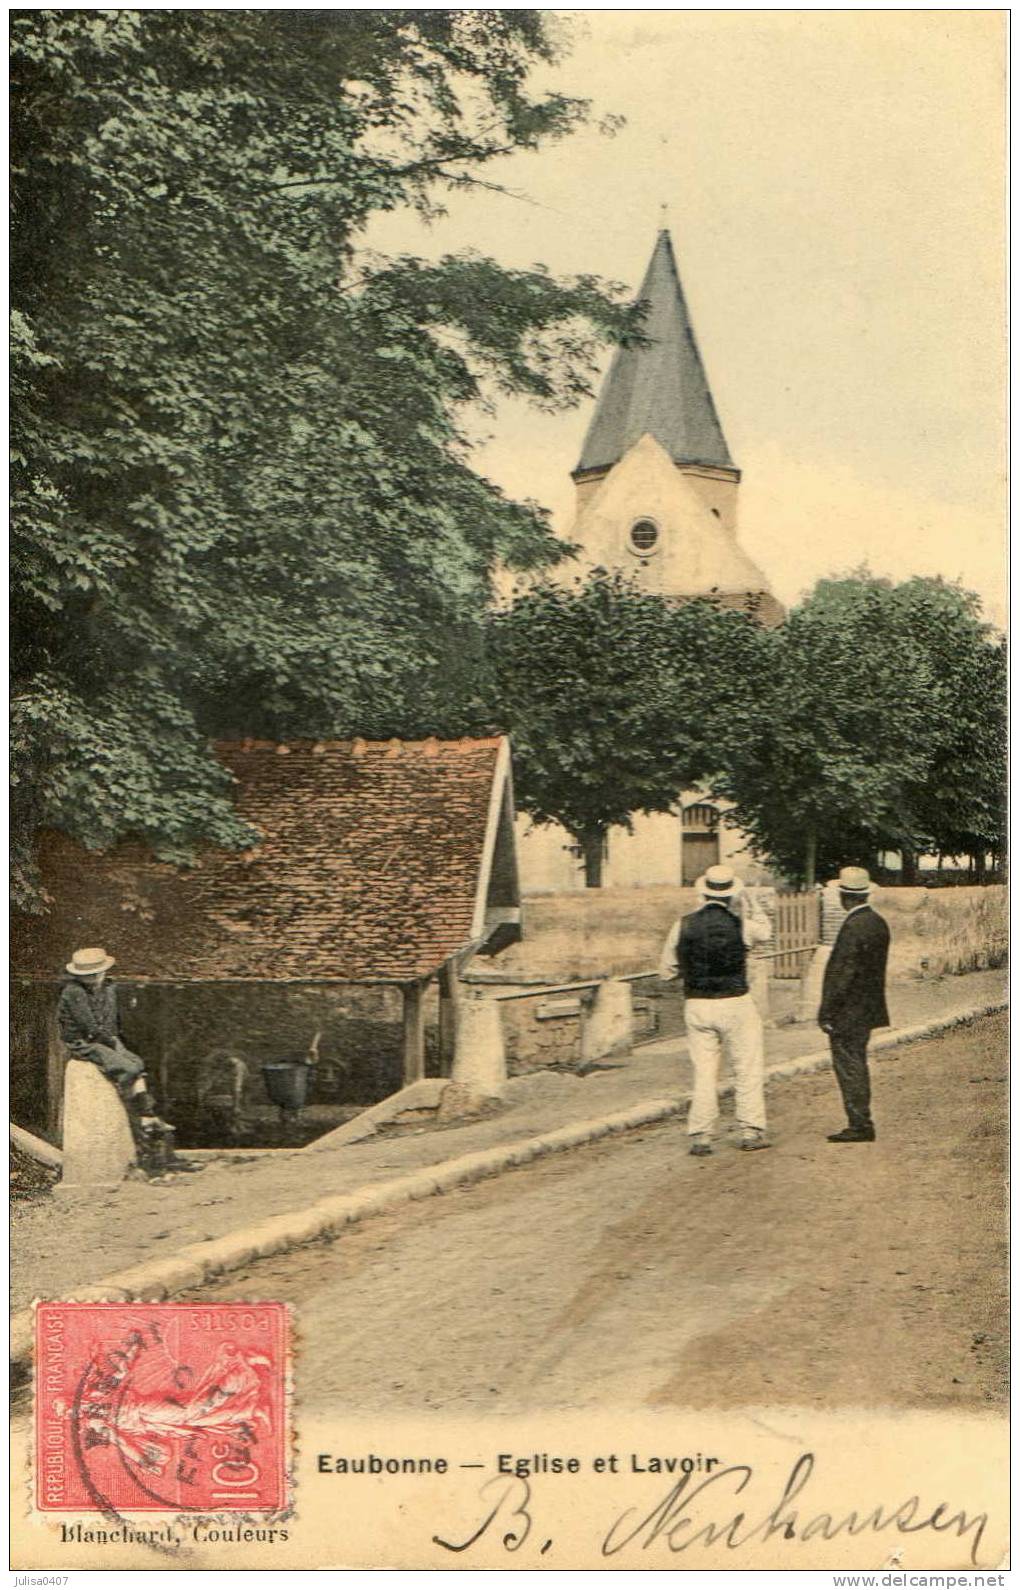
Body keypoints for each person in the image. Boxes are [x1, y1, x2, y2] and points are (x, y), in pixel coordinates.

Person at [659, 864, 773, 1155]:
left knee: (704, 1072)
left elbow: (667, 971)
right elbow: (766, 931)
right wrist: (749, 902)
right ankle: (750, 1130)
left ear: (703, 891)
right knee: (746, 1068)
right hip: (735, 1001)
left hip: (697, 1003)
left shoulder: (682, 925)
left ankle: (701, 1135)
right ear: (731, 895)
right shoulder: (742, 925)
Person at [57, 946, 175, 1167]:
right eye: (88, 976)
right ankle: (139, 1114)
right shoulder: (73, 992)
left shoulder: (108, 988)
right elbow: (89, 1027)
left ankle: (148, 1115)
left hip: (106, 1039)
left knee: (137, 1063)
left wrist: (114, 1042)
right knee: (128, 1069)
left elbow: (111, 1021)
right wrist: (111, 1044)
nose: (93, 979)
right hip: (84, 1043)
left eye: (96, 974)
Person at [818, 867, 890, 1143]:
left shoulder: (852, 927)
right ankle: (861, 1121)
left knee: (850, 1066)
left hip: (848, 1011)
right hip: (868, 1007)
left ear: (843, 896)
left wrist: (827, 1011)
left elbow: (842, 974)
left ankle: (860, 1124)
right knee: (857, 1062)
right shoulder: (877, 922)